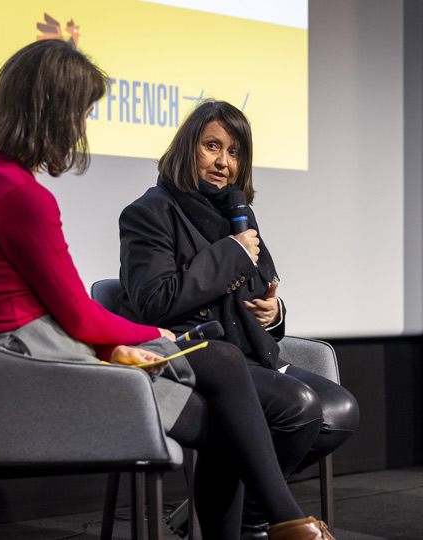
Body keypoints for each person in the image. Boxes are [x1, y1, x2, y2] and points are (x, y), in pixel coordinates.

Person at [0, 40, 336, 540]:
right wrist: (158, 334)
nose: (80, 129)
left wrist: (261, 312)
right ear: (51, 112)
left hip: (13, 363)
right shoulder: (21, 196)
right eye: (80, 114)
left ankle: (279, 521)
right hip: (34, 368)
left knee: (229, 379)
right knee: (231, 391)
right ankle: (282, 521)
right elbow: (80, 317)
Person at [117, 100, 360, 536]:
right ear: (188, 147)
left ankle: (240, 518)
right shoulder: (150, 212)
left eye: (234, 153)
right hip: (196, 357)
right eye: (213, 146)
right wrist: (228, 254)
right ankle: (255, 525)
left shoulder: (237, 214)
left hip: (251, 355)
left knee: (340, 410)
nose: (223, 162)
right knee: (298, 408)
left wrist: (274, 313)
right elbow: (153, 302)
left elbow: (256, 294)